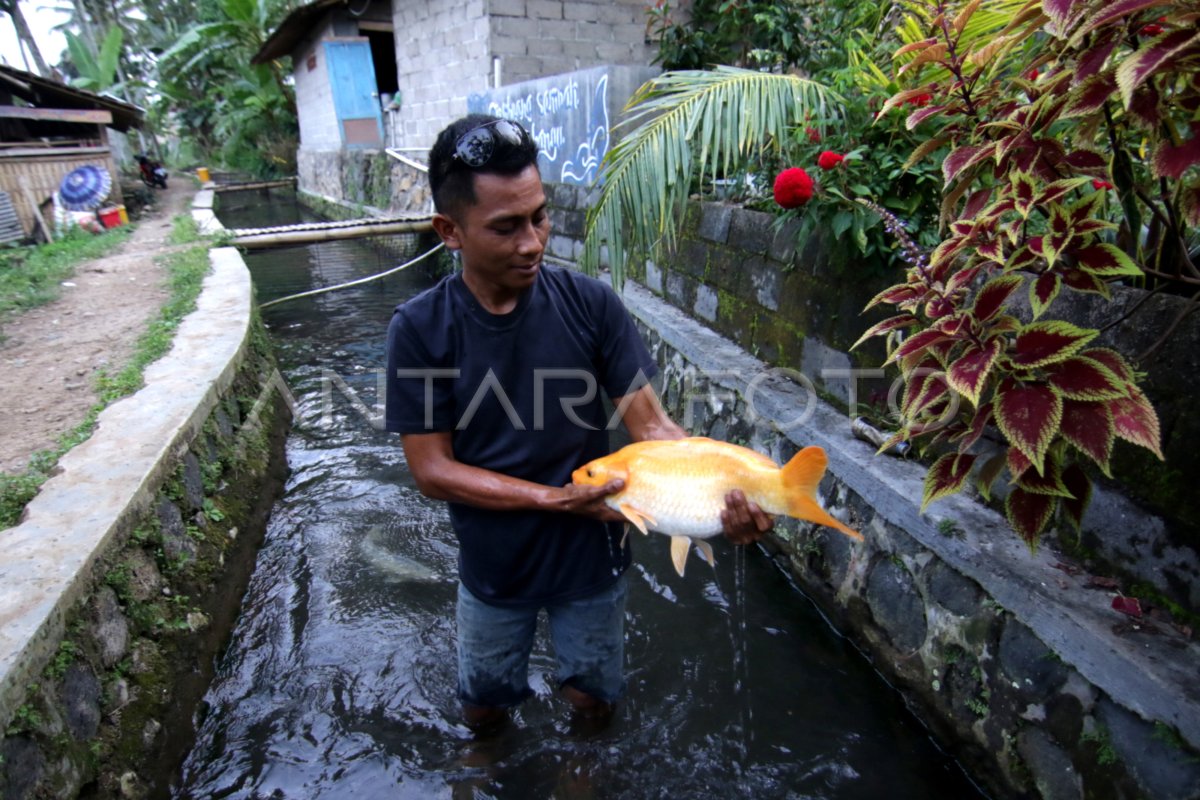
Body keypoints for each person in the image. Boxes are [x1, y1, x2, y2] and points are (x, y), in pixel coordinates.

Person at [385, 114, 772, 732]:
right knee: (484, 708)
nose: (533, 241)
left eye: (539, 215)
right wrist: (554, 499)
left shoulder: (591, 306)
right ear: (449, 230)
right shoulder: (420, 329)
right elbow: (431, 470)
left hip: (593, 559)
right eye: (506, 227)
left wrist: (732, 493)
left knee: (593, 702)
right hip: (495, 564)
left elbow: (655, 434)